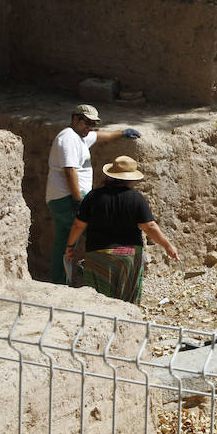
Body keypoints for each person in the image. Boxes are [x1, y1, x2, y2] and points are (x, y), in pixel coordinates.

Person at [46, 104, 141, 285]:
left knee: (64, 242)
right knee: (99, 234)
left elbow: (99, 136)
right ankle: (102, 274)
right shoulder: (68, 138)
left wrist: (122, 133)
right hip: (68, 198)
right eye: (87, 123)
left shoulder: (80, 136)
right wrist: (78, 201)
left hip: (60, 199)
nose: (90, 128)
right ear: (75, 119)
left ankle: (59, 282)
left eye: (93, 124)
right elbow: (69, 171)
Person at [65, 155, 178, 303]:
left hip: (99, 256)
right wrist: (168, 246)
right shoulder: (136, 198)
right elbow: (149, 227)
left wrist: (70, 246)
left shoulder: (93, 197)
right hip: (129, 257)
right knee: (127, 302)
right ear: (131, 179)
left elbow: (78, 225)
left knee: (100, 301)